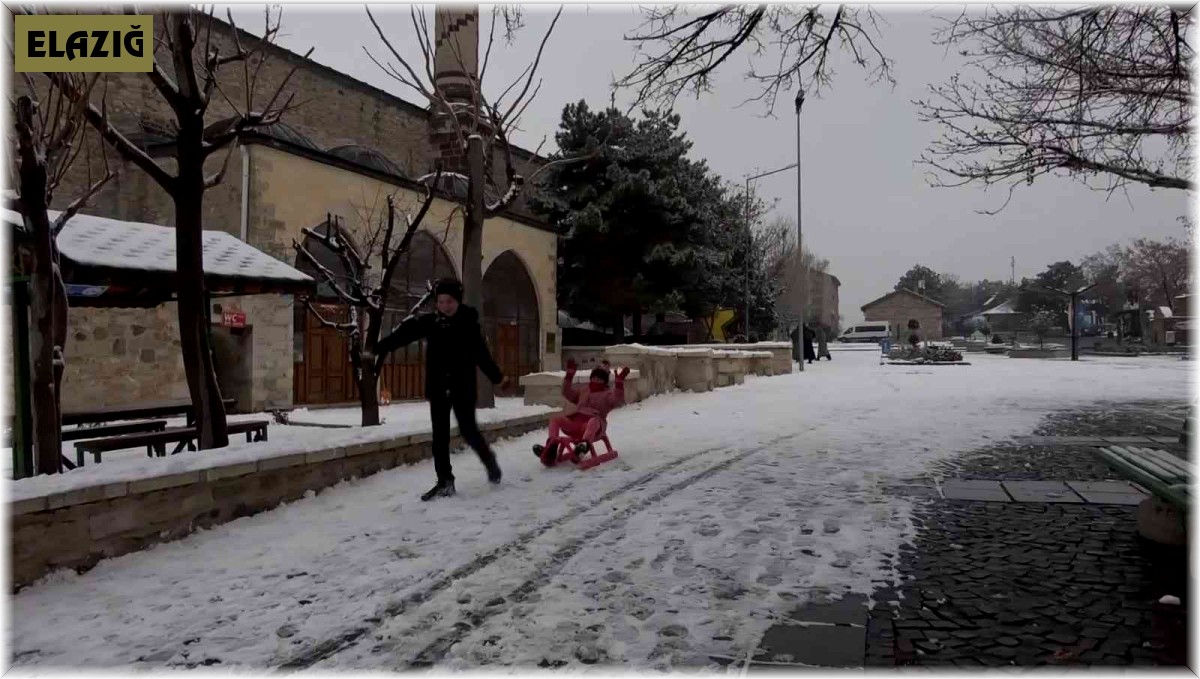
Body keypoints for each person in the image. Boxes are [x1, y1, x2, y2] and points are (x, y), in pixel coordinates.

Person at [376, 278, 509, 501]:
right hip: (438, 388)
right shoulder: (431, 322)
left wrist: (498, 378)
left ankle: (489, 461)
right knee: (440, 436)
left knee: (468, 431)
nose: (445, 306)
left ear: (457, 301)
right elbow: (405, 335)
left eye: (449, 301)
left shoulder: (468, 324)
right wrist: (379, 348)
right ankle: (445, 481)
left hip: (462, 388)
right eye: (441, 301)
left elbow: (482, 356)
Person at [533, 359, 628, 464]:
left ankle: (583, 447)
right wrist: (569, 376)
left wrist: (619, 384)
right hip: (576, 423)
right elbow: (568, 394)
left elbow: (617, 400)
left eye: (599, 379)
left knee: (593, 421)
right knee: (555, 418)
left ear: (604, 382)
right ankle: (551, 447)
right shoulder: (584, 390)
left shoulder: (607, 394)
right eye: (594, 378)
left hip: (594, 427)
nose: (595, 381)